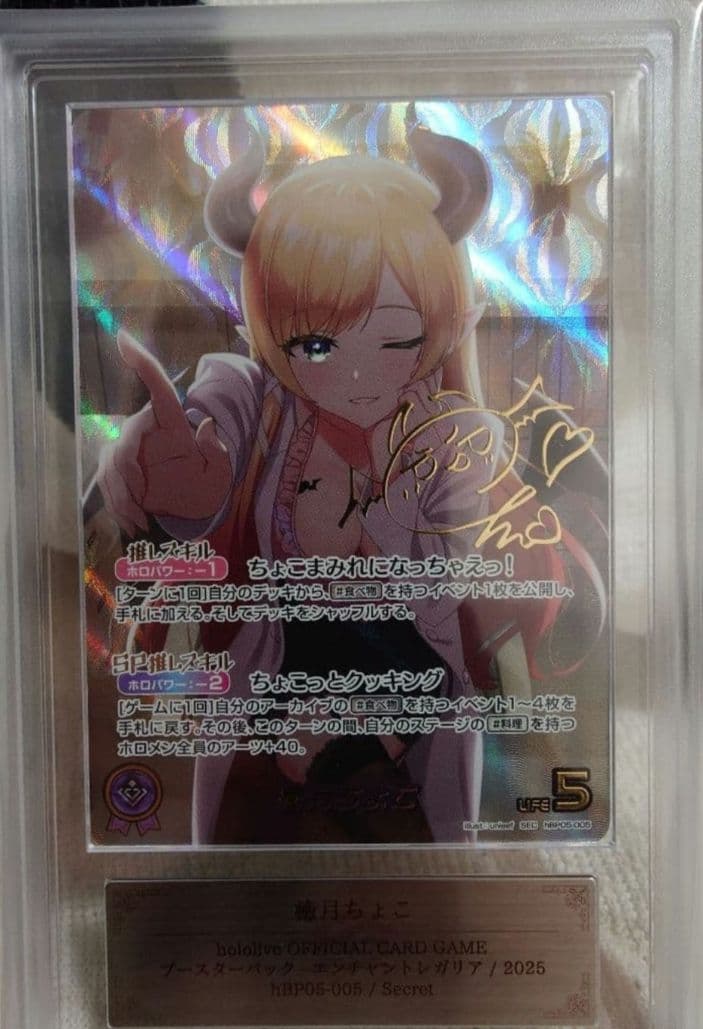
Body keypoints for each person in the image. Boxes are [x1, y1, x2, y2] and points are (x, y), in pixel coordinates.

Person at [98, 125, 540, 844]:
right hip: (283, 664)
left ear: (446, 324)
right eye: (316, 344)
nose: (357, 375)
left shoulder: (454, 436)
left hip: (405, 670)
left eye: (395, 338)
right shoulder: (257, 402)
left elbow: (445, 578)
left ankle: (354, 757)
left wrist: (394, 502)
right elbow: (213, 430)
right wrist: (185, 490)